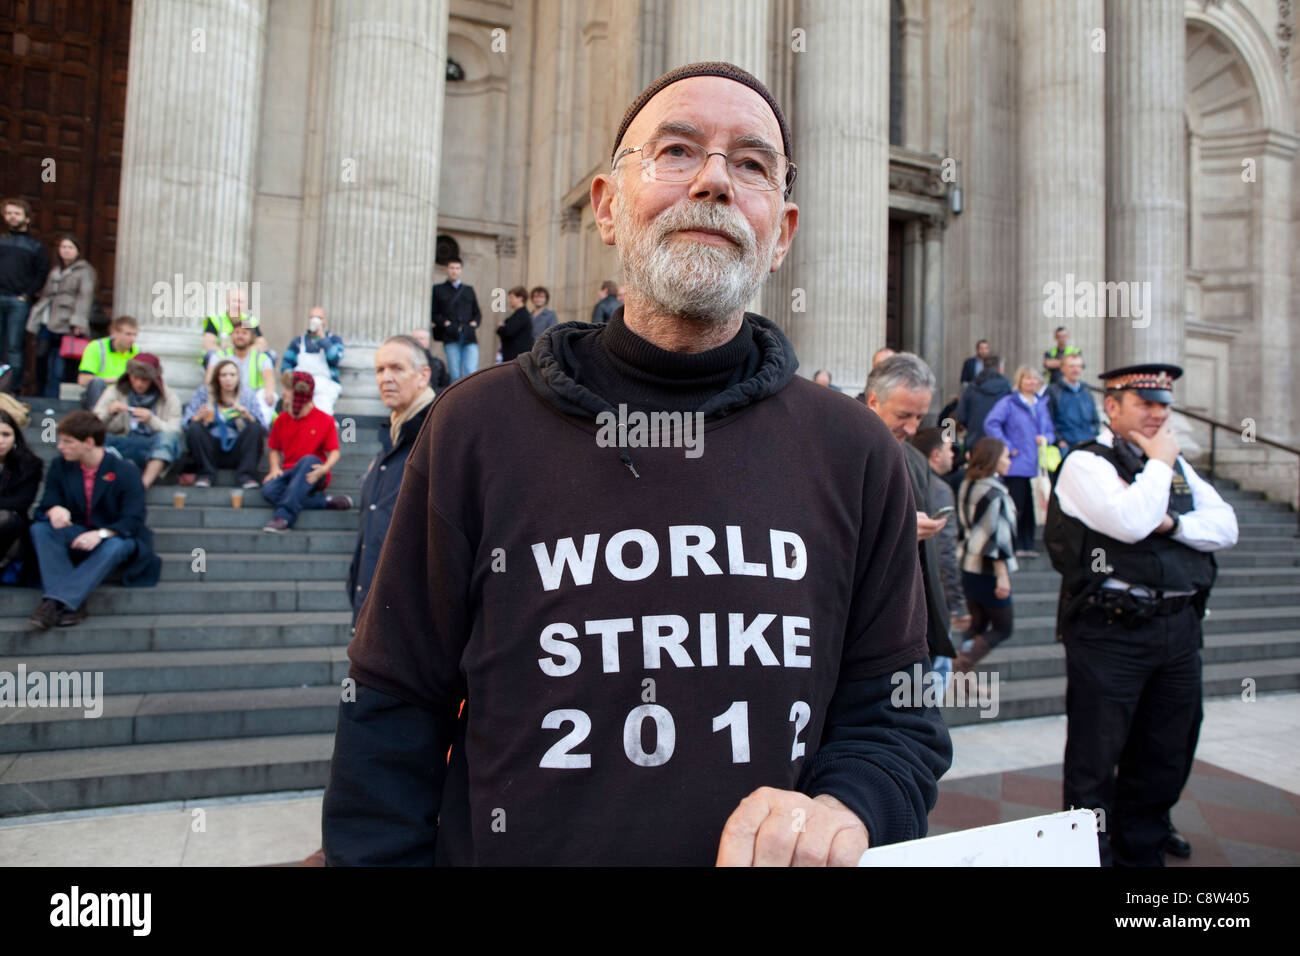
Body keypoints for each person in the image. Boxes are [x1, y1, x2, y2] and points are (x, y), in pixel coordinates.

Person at [324, 60, 951, 867]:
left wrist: (845, 806)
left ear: (782, 231)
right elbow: (393, 709)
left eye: (752, 164)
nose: (715, 182)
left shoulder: (856, 451)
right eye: (678, 150)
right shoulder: (475, 428)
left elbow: (894, 719)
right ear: (608, 207)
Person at [1044, 363, 1238, 867]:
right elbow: (1130, 523)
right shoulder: (1087, 464)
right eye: (1145, 404)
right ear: (1112, 406)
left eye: (1164, 405)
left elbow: (1224, 526)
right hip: (1111, 631)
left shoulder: (1175, 465)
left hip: (1178, 627)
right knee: (1096, 755)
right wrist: (1158, 467)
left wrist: (1171, 522)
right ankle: (1089, 853)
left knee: (1166, 749)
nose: (1158, 414)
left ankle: (1142, 847)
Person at [27, 410, 161, 629]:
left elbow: (134, 519)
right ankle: (71, 603)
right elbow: (46, 503)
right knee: (41, 530)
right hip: (76, 531)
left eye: (67, 442)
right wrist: (55, 510)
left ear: (89, 442)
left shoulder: (125, 470)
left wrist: (100, 534)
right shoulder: (61, 465)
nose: (60, 446)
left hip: (115, 535)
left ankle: (54, 601)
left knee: (116, 546)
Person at [864, 354, 956, 662]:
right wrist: (899, 529)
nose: (914, 428)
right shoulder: (838, 448)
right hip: (867, 626)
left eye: (920, 417)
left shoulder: (916, 459)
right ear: (874, 401)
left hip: (916, 621)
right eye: (904, 415)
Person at [348, 336, 435, 627]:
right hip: (372, 615)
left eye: (396, 368)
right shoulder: (389, 441)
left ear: (423, 376)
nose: (386, 378)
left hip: (411, 625)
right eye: (379, 370)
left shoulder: (440, 438)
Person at [954, 437, 1018, 673]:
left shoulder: (968, 483)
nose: (1009, 461)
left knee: (977, 625)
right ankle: (960, 665)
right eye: (1005, 456)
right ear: (993, 459)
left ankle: (962, 675)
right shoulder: (994, 491)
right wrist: (1002, 576)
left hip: (967, 563)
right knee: (1003, 627)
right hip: (987, 569)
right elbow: (997, 538)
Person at [260, 371, 351, 532]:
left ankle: (284, 516)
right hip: (289, 472)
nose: (284, 393)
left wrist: (325, 468)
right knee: (269, 489)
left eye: (288, 389)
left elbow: (334, 451)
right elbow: (273, 449)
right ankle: (324, 502)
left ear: (299, 392)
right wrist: (274, 468)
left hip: (314, 472)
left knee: (308, 460)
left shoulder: (325, 419)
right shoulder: (282, 419)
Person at [982, 365, 1055, 556]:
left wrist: (1046, 438)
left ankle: (1028, 544)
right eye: (1027, 378)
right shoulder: (1009, 402)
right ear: (1019, 381)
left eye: (1034, 379)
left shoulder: (1041, 403)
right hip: (1017, 463)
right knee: (1017, 505)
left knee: (1033, 507)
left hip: (1037, 463)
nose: (1031, 382)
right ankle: (1013, 544)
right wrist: (1007, 446)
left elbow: (1049, 430)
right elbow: (991, 423)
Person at [93, 353, 183, 490]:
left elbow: (175, 430)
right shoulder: (114, 392)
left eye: (145, 380)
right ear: (129, 376)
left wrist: (152, 420)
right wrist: (109, 414)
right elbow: (92, 426)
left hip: (151, 445)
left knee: (169, 439)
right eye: (135, 378)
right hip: (122, 442)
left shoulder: (169, 397)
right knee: (93, 440)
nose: (139, 383)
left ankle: (142, 487)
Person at [910, 427, 968, 634]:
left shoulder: (911, 476)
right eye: (950, 449)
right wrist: (956, 603)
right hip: (932, 595)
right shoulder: (939, 489)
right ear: (936, 454)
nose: (953, 454)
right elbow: (945, 550)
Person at [182, 358, 267, 489]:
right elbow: (185, 423)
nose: (228, 379)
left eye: (232, 375)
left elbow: (263, 427)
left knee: (254, 427)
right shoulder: (203, 393)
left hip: (238, 448)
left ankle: (246, 475)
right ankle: (205, 474)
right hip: (210, 447)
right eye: (223, 375)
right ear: (217, 378)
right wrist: (197, 417)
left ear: (238, 377)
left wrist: (248, 416)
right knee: (195, 428)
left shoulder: (247, 395)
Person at [28, 236, 95, 398]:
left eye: (70, 247)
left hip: (67, 321)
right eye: (63, 247)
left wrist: (79, 321)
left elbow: (85, 296)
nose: (66, 250)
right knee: (42, 356)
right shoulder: (55, 270)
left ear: (77, 251)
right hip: (47, 319)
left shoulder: (84, 271)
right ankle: (40, 392)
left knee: (60, 361)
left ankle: (54, 396)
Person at [0, 198, 51, 393]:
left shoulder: (35, 247)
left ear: (27, 218)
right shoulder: (1, 241)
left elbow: (41, 273)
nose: (12, 217)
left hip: (18, 301)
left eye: (17, 213)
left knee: (14, 347)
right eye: (9, 213)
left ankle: (12, 389)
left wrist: (26, 294)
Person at [0, 405, 44, 579]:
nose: (1, 440)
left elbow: (22, 502)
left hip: (12, 527)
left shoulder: (29, 465)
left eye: (6, 434)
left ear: (15, 437)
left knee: (5, 517)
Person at [208, 316, 277, 423]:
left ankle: (261, 427)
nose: (240, 336)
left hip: (252, 399)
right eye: (237, 332)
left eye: (244, 333)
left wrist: (269, 392)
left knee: (271, 396)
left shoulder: (261, 357)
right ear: (232, 335)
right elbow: (209, 380)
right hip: (226, 396)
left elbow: (269, 379)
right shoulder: (220, 356)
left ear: (251, 337)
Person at [280, 306, 344, 415]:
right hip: (301, 385)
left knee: (323, 413)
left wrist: (323, 339)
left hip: (325, 386)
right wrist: (289, 384)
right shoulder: (298, 342)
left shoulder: (334, 340)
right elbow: (286, 366)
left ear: (325, 321)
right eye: (313, 317)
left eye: (319, 318)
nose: (316, 321)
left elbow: (335, 359)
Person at [430, 258, 482, 382]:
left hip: (469, 335)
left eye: (457, 268)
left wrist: (474, 324)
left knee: (472, 372)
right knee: (455, 375)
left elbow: (477, 313)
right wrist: (445, 324)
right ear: (446, 270)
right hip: (450, 336)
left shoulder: (468, 290)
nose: (454, 271)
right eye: (452, 268)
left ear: (461, 270)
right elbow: (434, 313)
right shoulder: (438, 289)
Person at [78, 315, 140, 410]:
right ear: (114, 333)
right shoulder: (97, 347)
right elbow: (83, 380)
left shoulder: (137, 351)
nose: (132, 339)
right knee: (97, 382)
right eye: (128, 334)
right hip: (101, 393)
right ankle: (97, 418)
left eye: (135, 335)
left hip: (125, 393)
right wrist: (117, 380)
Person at [953, 354, 1011, 447]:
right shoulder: (1008, 388)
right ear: (1000, 369)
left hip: (976, 442)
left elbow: (961, 416)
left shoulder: (971, 388)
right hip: (1000, 443)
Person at [1046, 353, 1100, 449]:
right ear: (1062, 368)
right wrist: (1059, 441)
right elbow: (1047, 420)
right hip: (1067, 447)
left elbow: (1095, 418)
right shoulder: (1053, 391)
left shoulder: (1086, 390)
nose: (1076, 370)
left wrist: (1094, 434)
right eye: (1071, 366)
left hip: (1089, 444)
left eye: (1079, 366)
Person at [203, 288, 268, 361]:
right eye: (235, 301)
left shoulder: (248, 321)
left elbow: (262, 344)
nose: (237, 305)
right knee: (210, 354)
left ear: (246, 304)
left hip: (245, 357)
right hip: (222, 357)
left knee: (270, 355)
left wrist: (244, 352)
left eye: (241, 302)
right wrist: (228, 354)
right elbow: (208, 344)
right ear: (228, 301)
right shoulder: (216, 319)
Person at [496, 287, 534, 362]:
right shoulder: (518, 314)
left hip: (516, 357)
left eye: (512, 298)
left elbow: (508, 332)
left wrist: (500, 328)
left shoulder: (522, 314)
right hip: (514, 356)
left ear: (520, 298)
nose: (510, 301)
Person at [409, 327, 449, 393]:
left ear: (428, 341)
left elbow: (444, 386)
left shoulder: (438, 364)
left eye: (421, 338)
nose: (418, 341)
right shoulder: (405, 362)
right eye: (415, 339)